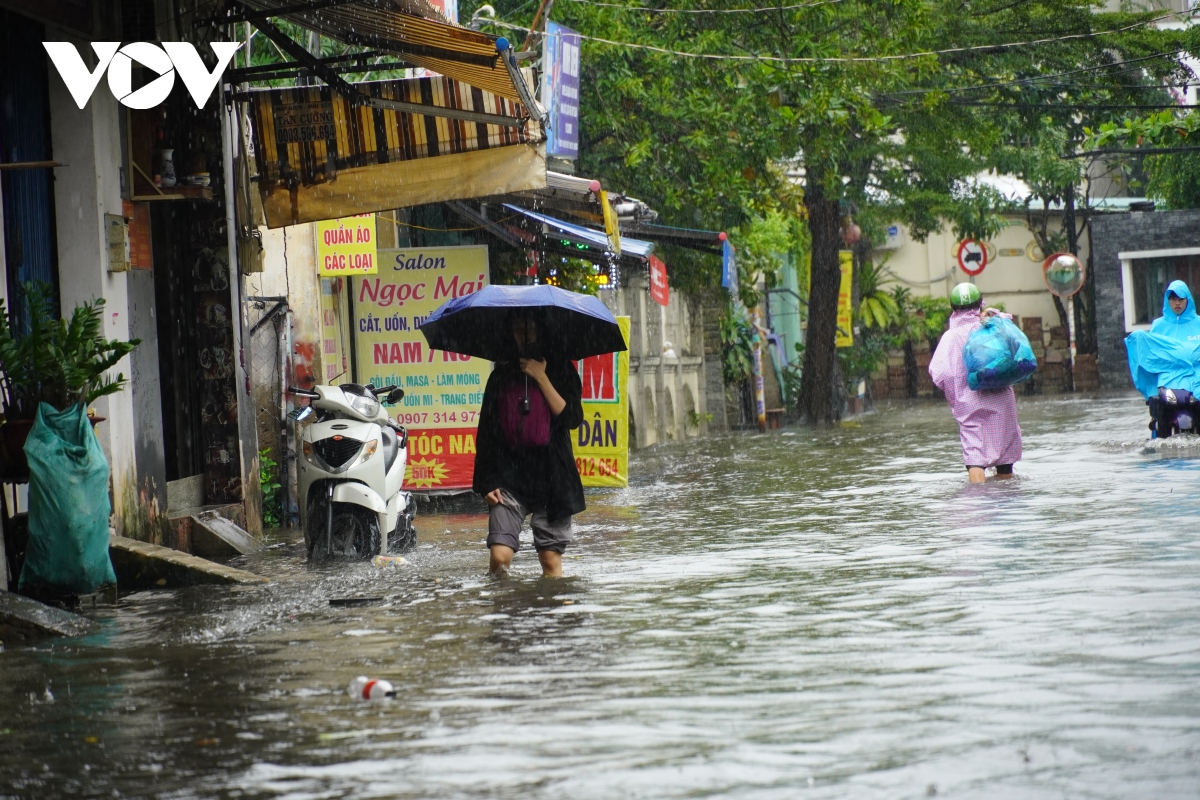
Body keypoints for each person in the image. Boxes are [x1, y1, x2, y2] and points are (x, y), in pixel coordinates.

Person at [472, 312, 585, 577]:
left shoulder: (561, 369)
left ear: (541, 331)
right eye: (518, 329)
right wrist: (486, 483)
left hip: (552, 479)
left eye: (531, 329)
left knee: (550, 561)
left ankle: (550, 615)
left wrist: (542, 377)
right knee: (499, 559)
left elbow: (572, 418)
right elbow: (486, 432)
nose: (524, 335)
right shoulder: (501, 375)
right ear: (509, 332)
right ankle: (504, 613)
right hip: (508, 478)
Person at [928, 282, 1023, 483]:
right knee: (1005, 458)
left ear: (953, 308)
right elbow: (1015, 355)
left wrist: (957, 398)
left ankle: (979, 502)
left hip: (970, 403)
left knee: (975, 457)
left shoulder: (951, 337)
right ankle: (1008, 505)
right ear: (980, 303)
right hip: (1002, 399)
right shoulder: (993, 324)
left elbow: (941, 373)